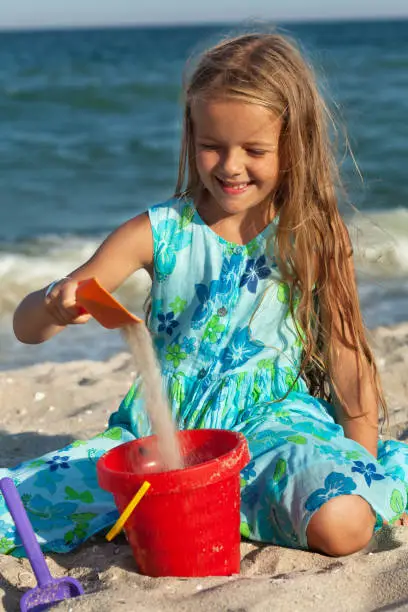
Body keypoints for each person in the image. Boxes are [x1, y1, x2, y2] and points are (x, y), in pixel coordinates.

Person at [2, 32, 408, 559]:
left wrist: (362, 460)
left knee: (344, 524)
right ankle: (215, 503)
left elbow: (347, 353)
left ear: (294, 144)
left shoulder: (310, 233)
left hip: (272, 423)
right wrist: (56, 306)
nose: (230, 166)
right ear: (191, 136)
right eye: (211, 146)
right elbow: (26, 330)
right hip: (165, 434)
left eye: (254, 150)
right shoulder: (158, 231)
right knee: (11, 509)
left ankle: (222, 502)